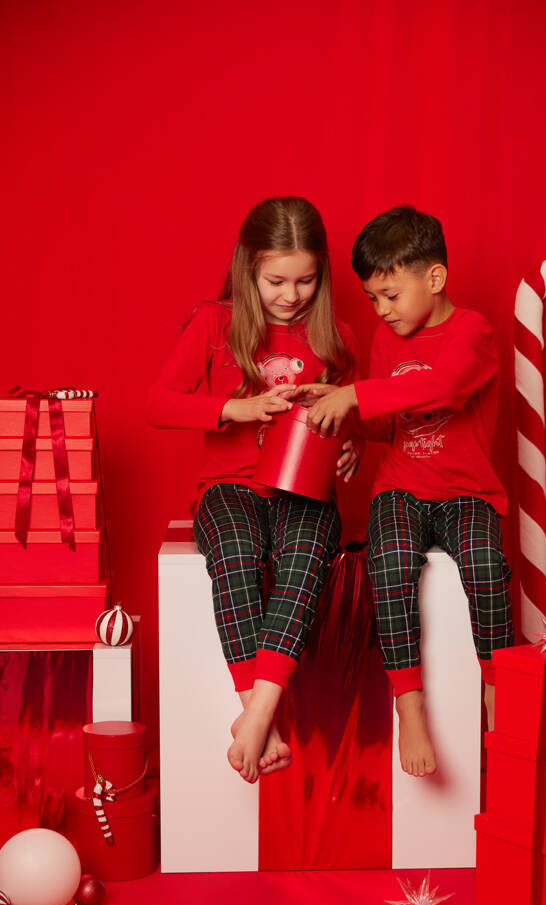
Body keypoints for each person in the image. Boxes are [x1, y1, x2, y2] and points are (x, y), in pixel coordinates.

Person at [146, 196, 359, 783]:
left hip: (305, 490)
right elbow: (156, 404)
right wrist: (235, 408)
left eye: (305, 281)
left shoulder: (337, 337)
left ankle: (257, 716)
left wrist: (352, 447)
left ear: (322, 274)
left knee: (306, 556)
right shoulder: (215, 323)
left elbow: (353, 420)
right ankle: (261, 713)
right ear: (248, 268)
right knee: (236, 554)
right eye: (275, 282)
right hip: (229, 487)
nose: (291, 295)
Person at [301, 205, 513, 776]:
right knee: (390, 562)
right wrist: (350, 429)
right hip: (400, 487)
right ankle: (408, 703)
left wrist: (355, 396)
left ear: (435, 278)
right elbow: (386, 423)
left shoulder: (472, 331)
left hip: (465, 489)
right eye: (372, 298)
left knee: (485, 564)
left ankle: (497, 686)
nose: (382, 310)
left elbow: (445, 389)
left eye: (391, 295)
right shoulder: (383, 339)